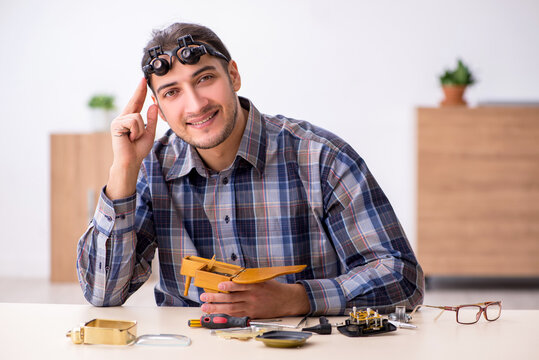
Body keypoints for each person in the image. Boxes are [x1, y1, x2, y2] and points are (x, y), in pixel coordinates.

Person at [77, 22, 424, 318]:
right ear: (160, 111)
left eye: (205, 78)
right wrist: (123, 169)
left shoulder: (320, 157)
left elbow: (402, 278)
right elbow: (102, 293)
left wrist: (296, 298)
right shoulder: (151, 169)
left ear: (233, 75)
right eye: (172, 93)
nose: (195, 104)